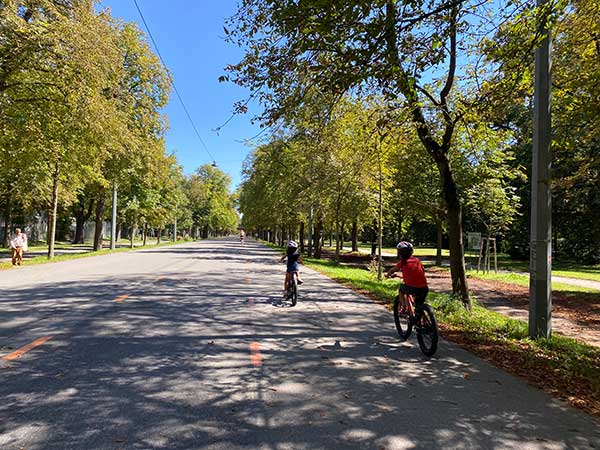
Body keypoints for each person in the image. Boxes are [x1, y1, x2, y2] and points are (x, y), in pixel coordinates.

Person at [385, 241, 428, 318]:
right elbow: (422, 270)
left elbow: (392, 270)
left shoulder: (402, 262)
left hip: (411, 288)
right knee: (419, 305)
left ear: (400, 253)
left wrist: (387, 275)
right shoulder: (417, 261)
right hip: (424, 288)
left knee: (401, 289)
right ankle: (422, 322)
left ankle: (404, 308)